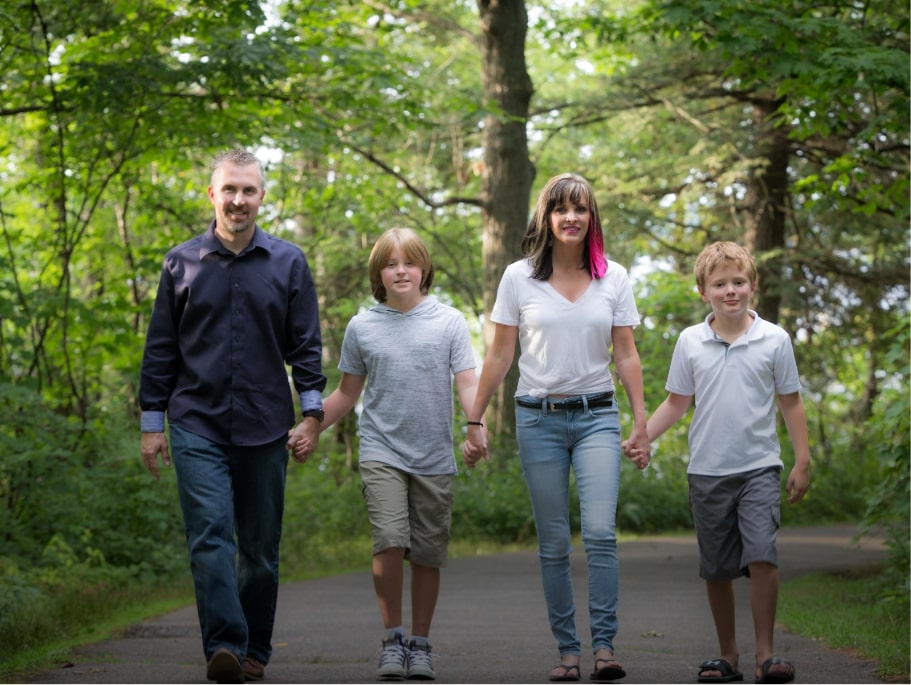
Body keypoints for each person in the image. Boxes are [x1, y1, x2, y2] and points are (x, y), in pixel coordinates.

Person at [138, 149, 326, 684]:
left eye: (248, 190)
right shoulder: (181, 263)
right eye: (230, 190)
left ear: (262, 196)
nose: (238, 200)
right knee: (210, 537)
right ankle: (223, 645)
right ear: (212, 195)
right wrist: (153, 424)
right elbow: (161, 349)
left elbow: (306, 349)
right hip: (195, 419)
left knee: (260, 552)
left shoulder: (289, 262)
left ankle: (253, 652)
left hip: (267, 425)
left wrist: (311, 416)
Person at [462, 173, 650, 683]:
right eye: (561, 209)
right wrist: (474, 420)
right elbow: (501, 354)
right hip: (538, 419)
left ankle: (604, 648)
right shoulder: (518, 278)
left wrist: (641, 422)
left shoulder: (614, 276)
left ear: (592, 218)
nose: (571, 217)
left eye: (581, 209)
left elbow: (627, 354)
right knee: (552, 542)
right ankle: (568, 651)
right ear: (546, 217)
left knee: (600, 534)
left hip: (597, 418)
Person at [290, 227, 479, 682]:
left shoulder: (449, 322)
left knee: (429, 554)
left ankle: (421, 644)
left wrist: (478, 426)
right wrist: (310, 425)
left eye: (409, 262)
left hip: (434, 454)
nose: (400, 270)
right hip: (382, 450)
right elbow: (347, 393)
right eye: (391, 263)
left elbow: (468, 382)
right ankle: (392, 638)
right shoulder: (363, 326)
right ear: (378, 273)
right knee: (389, 540)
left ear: (423, 269)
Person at [627, 241, 810, 685]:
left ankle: (765, 654)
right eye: (720, 284)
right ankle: (728, 654)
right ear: (703, 291)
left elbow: (790, 402)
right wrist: (641, 436)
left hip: (760, 467)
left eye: (739, 282)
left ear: (753, 286)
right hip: (707, 472)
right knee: (718, 567)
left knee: (763, 554)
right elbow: (675, 402)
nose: (731, 291)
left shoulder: (775, 339)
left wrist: (802, 458)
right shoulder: (691, 341)